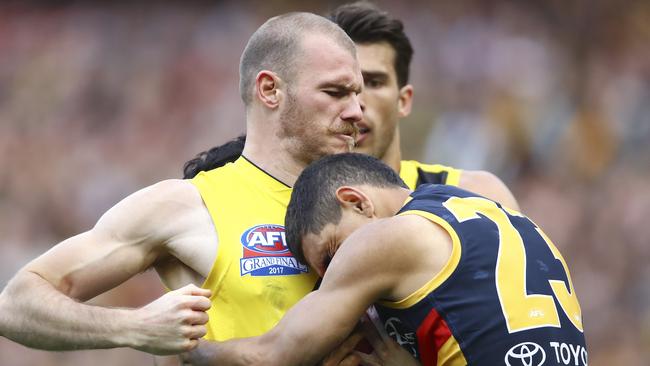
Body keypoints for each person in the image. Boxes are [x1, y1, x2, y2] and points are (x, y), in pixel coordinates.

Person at [0, 12, 364, 357]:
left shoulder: (371, 203)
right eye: (335, 93)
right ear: (269, 90)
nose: (357, 113)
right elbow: (16, 304)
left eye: (357, 95)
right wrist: (134, 327)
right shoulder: (190, 206)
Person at [185, 152, 587, 366]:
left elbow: (271, 357)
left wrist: (190, 352)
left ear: (356, 201)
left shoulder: (388, 237)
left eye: (330, 253)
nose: (330, 276)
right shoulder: (510, 220)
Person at [184, 2, 519, 212]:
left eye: (371, 83)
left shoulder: (472, 197)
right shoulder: (279, 211)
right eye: (335, 88)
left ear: (404, 101)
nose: (355, 105)